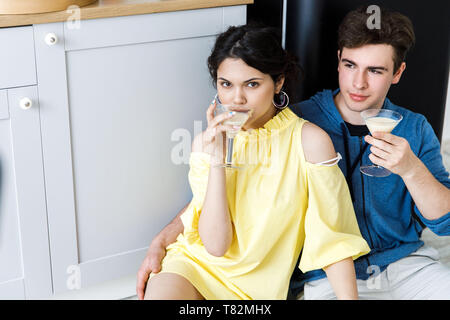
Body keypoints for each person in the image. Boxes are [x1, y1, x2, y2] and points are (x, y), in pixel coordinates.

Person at [142, 24, 370, 300]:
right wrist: (217, 161)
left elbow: (333, 239)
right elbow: (215, 245)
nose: (236, 99)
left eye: (252, 84)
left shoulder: (309, 142)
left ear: (278, 82)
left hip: (255, 291)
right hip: (192, 268)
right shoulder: (206, 143)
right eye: (226, 84)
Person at [288, 6, 450, 299]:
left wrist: (412, 170)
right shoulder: (298, 122)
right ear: (338, 61)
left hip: (407, 266)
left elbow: (445, 224)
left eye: (375, 71)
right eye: (350, 65)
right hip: (329, 275)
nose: (358, 83)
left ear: (398, 72)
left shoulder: (414, 127)